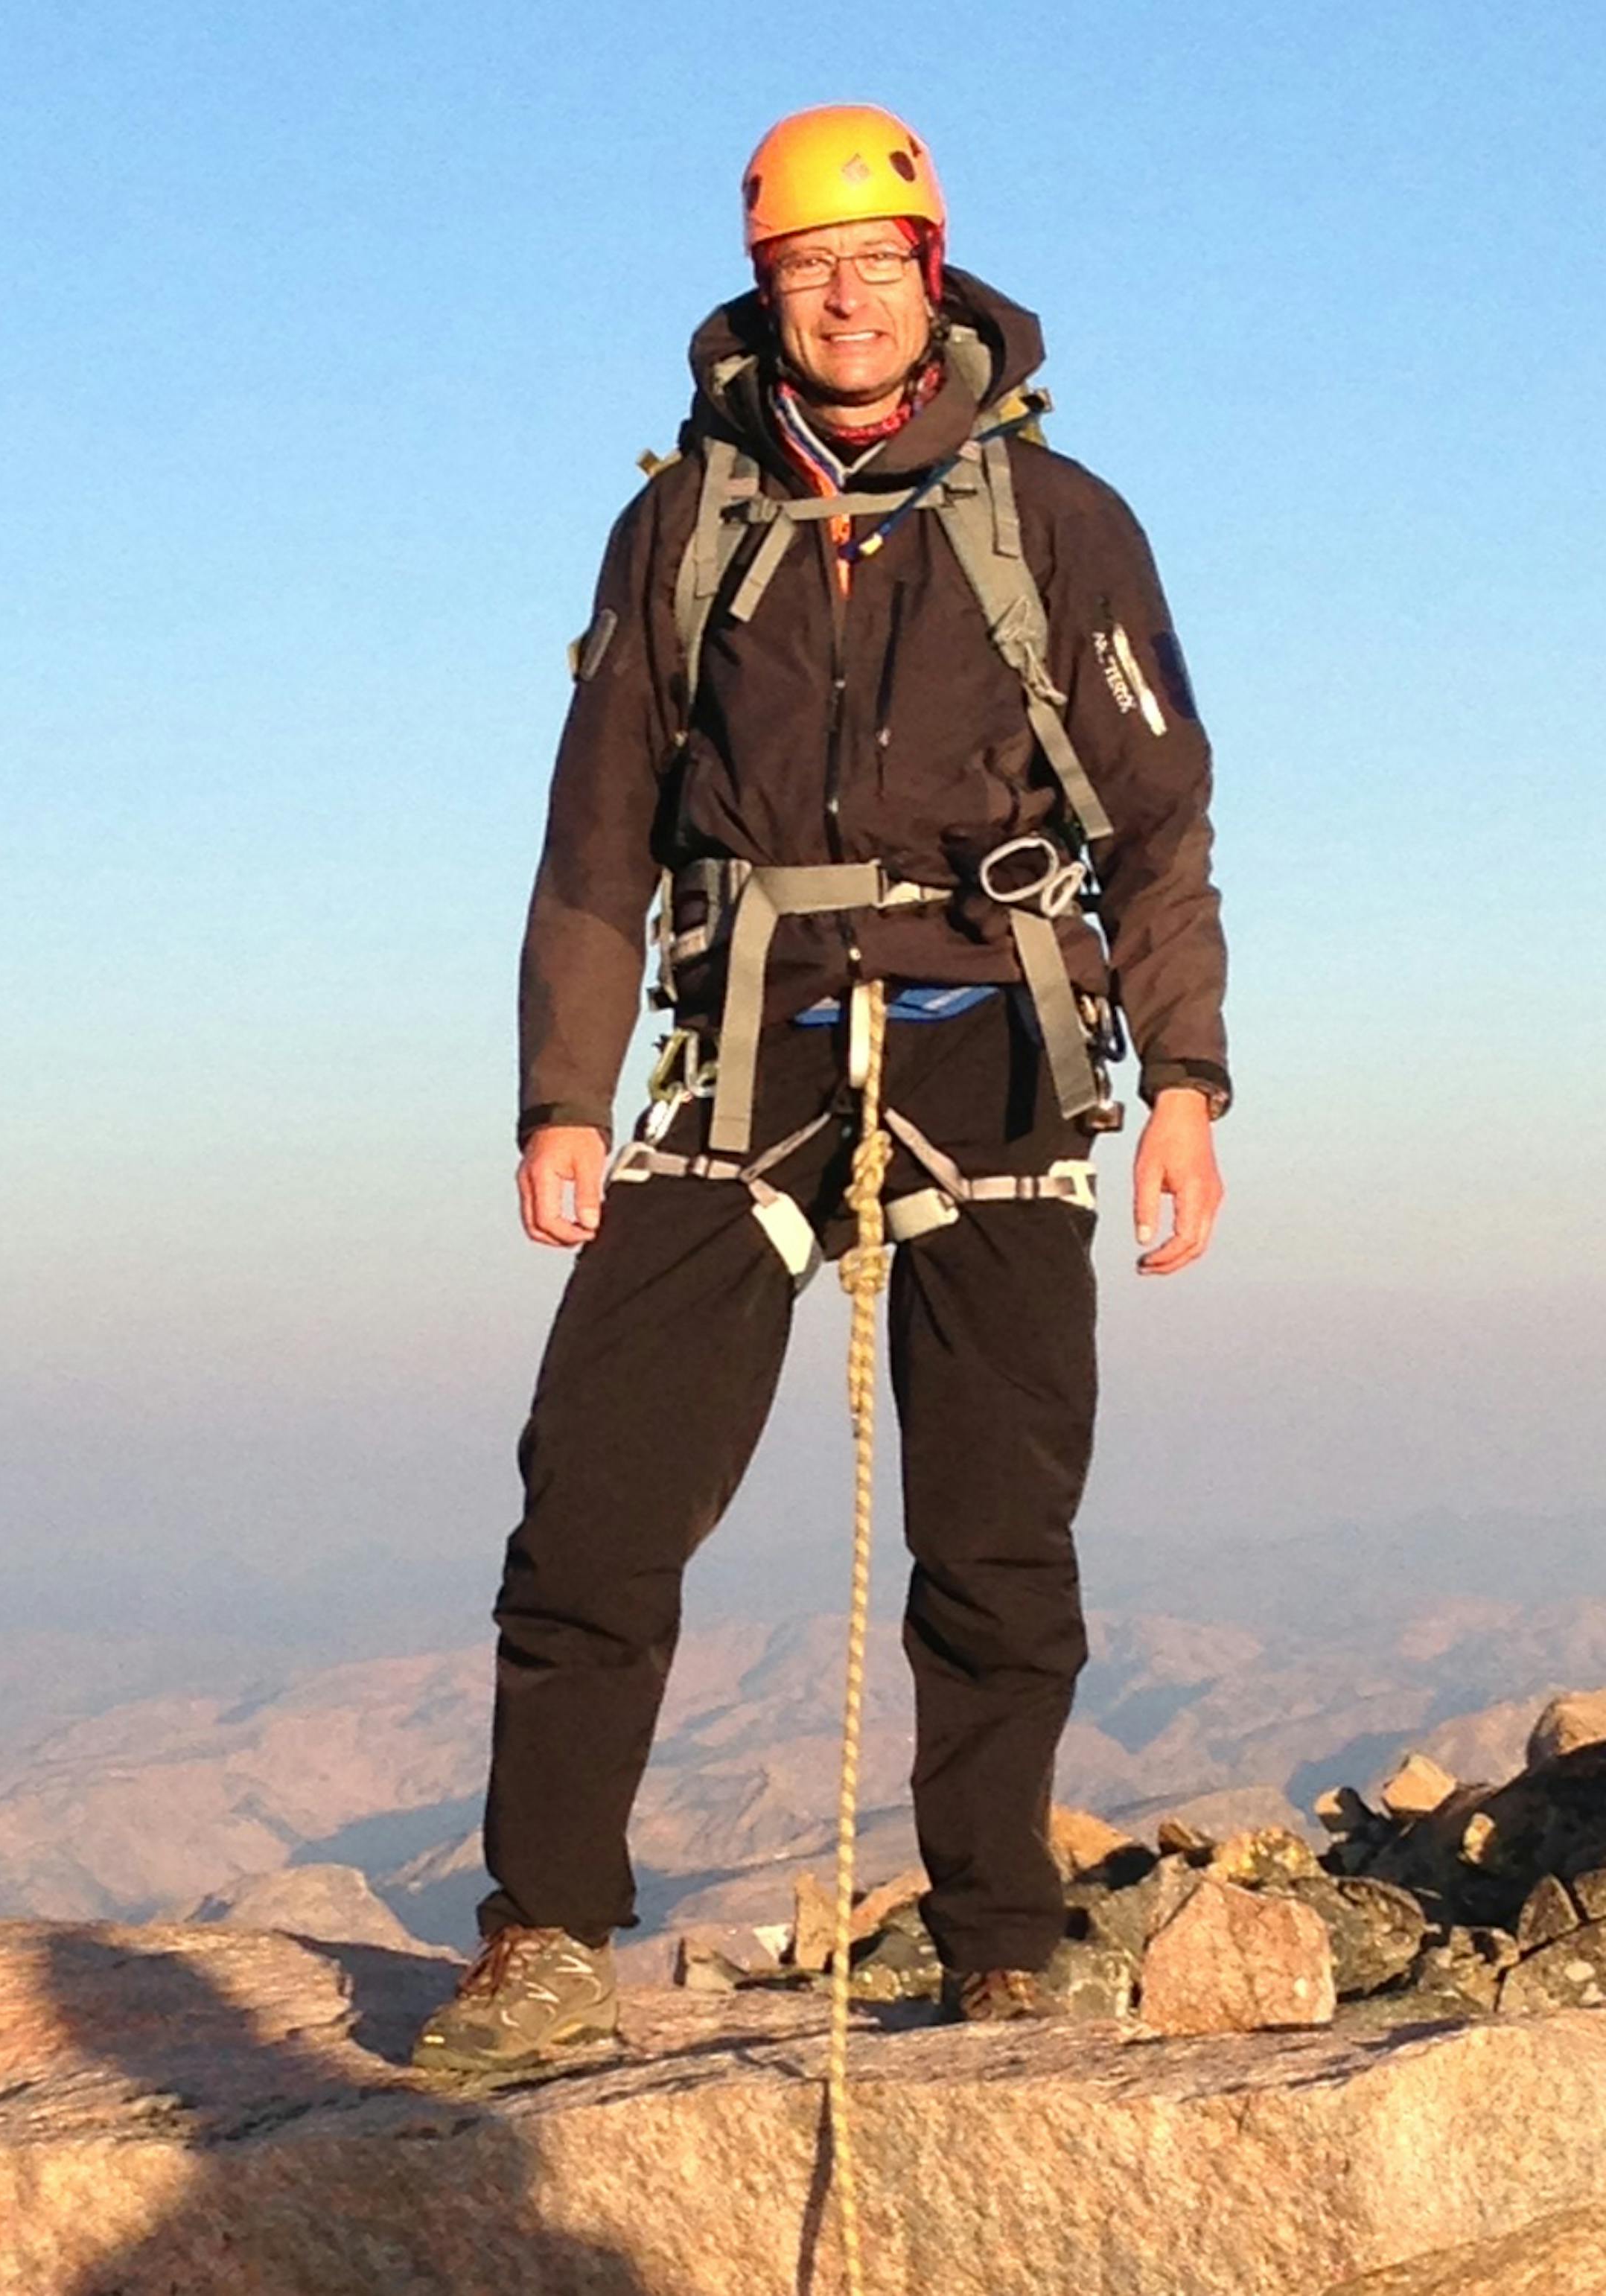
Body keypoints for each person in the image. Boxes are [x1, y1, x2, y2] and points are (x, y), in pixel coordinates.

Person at [412, 103, 1229, 2076]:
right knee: (596, 1498)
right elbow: (598, 829)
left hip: (1000, 1034)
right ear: (762, 290)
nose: (847, 297)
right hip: (748, 1035)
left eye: (877, 260)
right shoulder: (681, 526)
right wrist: (561, 1093)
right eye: (807, 265)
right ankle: (546, 1935)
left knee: (1000, 1535)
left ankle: (999, 1940)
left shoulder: (1061, 523)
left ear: (934, 276)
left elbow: (1160, 821)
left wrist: (1189, 1080)